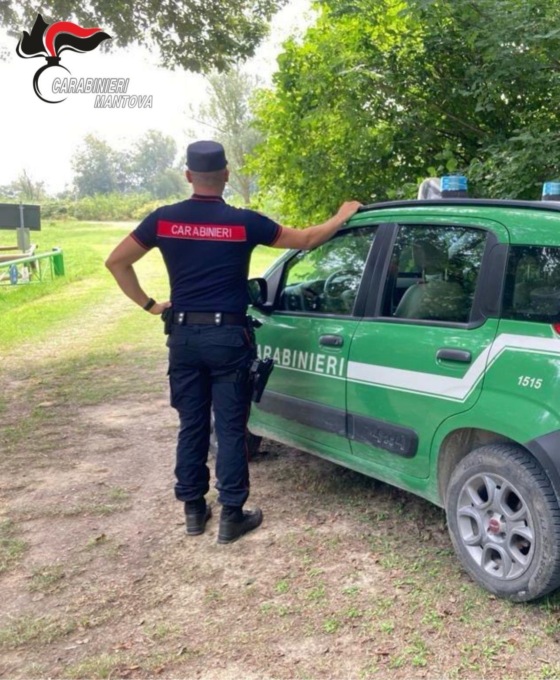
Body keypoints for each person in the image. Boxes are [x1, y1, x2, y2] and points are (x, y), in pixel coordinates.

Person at [105, 140, 362, 544]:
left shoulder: (163, 221)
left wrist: (151, 305)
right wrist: (342, 214)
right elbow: (309, 239)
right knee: (229, 426)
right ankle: (231, 515)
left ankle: (193, 511)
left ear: (188, 176)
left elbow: (116, 262)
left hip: (185, 335)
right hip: (229, 336)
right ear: (226, 174)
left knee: (191, 424)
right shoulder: (244, 222)